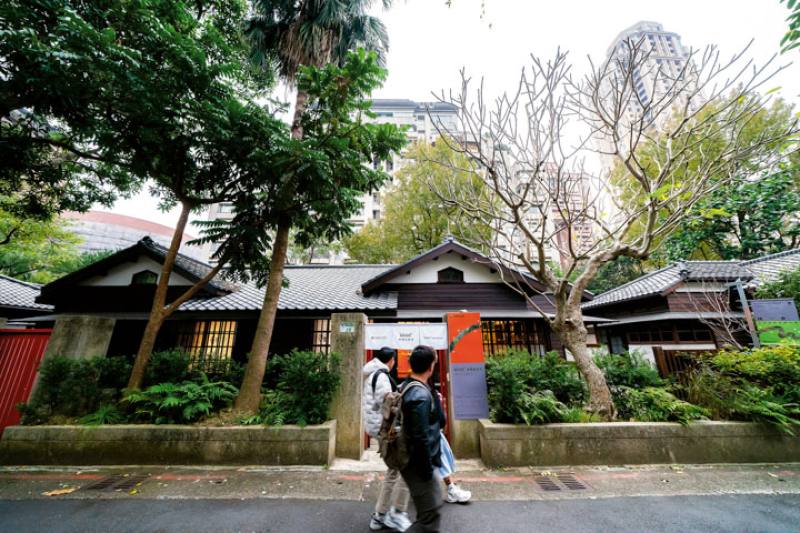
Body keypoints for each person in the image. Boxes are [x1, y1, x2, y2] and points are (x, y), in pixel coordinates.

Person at [362, 346, 412, 532]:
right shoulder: (381, 376)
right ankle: (392, 514)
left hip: (377, 427)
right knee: (401, 469)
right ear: (390, 360)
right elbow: (387, 402)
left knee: (394, 469)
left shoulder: (373, 373)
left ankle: (382, 515)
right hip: (385, 429)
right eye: (394, 360)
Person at [399, 345, 443, 532]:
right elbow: (420, 437)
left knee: (430, 513)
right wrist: (426, 469)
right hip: (418, 463)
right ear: (430, 367)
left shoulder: (408, 385)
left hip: (416, 461)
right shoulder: (420, 396)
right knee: (429, 517)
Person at [433, 391, 471, 504]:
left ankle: (451, 488)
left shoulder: (424, 389)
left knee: (442, 459)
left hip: (433, 433)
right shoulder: (418, 389)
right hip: (428, 434)